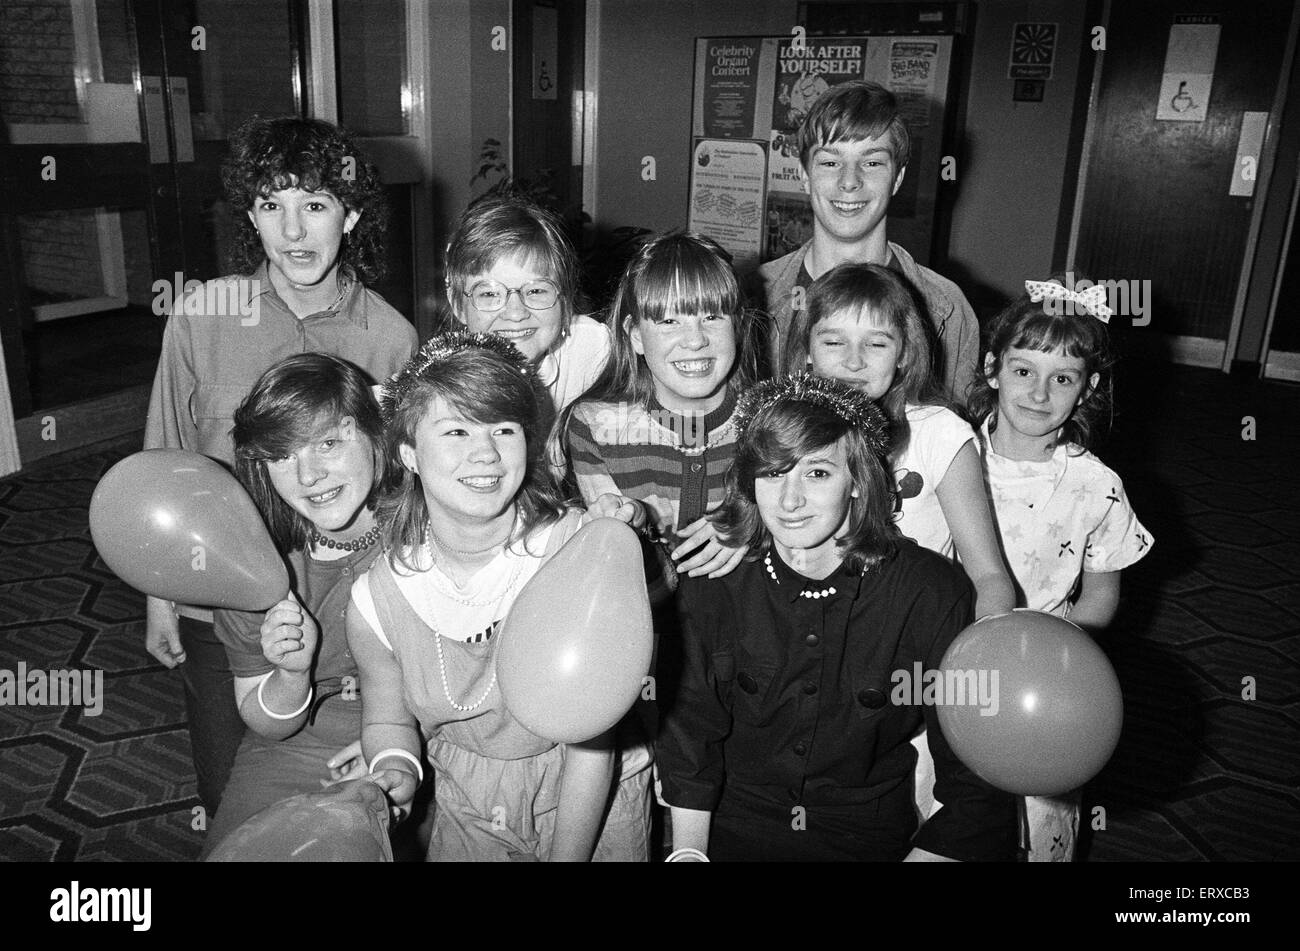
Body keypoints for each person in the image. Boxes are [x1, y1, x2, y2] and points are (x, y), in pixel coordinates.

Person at [142, 115, 417, 816]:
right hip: (221, 604)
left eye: (315, 205)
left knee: (351, 798)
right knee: (229, 786)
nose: (293, 232)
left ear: (350, 213)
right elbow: (166, 455)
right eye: (272, 205)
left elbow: (402, 487)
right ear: (252, 218)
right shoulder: (201, 318)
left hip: (348, 605)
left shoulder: (390, 336)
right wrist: (159, 594)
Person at [656, 374, 1017, 861]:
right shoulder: (716, 581)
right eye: (772, 473)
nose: (789, 500)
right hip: (731, 829)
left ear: (857, 482)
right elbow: (690, 741)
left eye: (817, 473)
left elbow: (979, 780)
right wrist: (689, 855)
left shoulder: (930, 594)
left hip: (865, 839)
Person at [346, 332, 647, 861]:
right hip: (471, 806)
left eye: (503, 429)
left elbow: (589, 740)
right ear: (409, 453)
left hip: (591, 798)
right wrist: (395, 768)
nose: (484, 453)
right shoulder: (377, 599)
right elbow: (387, 719)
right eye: (456, 430)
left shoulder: (572, 552)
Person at [968, 276, 1154, 861]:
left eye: (1063, 378)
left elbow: (1102, 592)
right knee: (943, 806)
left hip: (1045, 681)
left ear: (1088, 388)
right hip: (950, 658)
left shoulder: (1095, 485)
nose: (1039, 393)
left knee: (1040, 822)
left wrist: (1061, 654)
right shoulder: (952, 458)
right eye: (1023, 371)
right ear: (994, 369)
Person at [199, 354, 391, 858]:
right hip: (299, 746)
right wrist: (291, 674)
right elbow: (267, 722)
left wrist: (397, 752)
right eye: (283, 455)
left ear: (374, 433)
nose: (309, 475)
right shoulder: (250, 558)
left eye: (329, 442)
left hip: (432, 737)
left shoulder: (429, 520)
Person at [783, 262, 1014, 620]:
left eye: (876, 343)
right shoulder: (784, 433)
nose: (854, 361)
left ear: (905, 353)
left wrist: (980, 645)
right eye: (833, 341)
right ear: (808, 350)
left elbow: (989, 577)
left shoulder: (939, 433)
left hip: (913, 631)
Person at [750, 80, 979, 403]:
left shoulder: (946, 308)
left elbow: (957, 435)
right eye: (830, 162)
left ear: (897, 177)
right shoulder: (751, 299)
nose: (849, 181)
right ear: (804, 175)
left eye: (871, 163)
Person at [442, 195, 611, 473]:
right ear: (458, 303)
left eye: (535, 290)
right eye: (489, 294)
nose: (516, 312)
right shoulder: (438, 389)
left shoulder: (593, 348)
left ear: (565, 296)